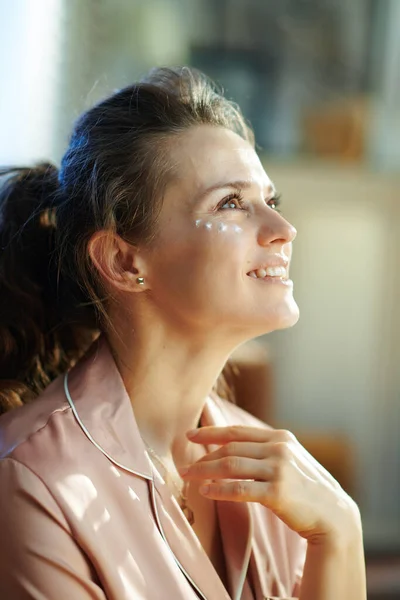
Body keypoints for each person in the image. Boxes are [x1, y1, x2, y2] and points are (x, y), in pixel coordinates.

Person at [0, 67, 366, 600]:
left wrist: (339, 532)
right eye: (231, 204)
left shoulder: (276, 472)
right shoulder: (34, 485)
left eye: (271, 201)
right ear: (124, 261)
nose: (284, 230)